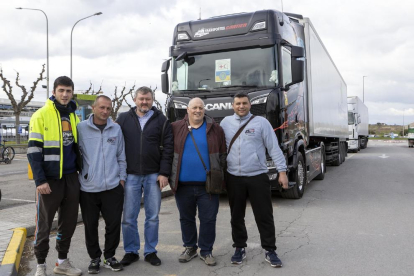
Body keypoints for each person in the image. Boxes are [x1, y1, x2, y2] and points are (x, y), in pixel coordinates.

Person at [220, 92, 289, 268]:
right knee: (236, 216)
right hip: (234, 177)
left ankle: (270, 249)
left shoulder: (261, 123)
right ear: (233, 106)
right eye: (237, 104)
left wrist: (282, 172)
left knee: (264, 215)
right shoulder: (225, 123)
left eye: (244, 103)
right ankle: (239, 247)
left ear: (250, 105)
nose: (241, 106)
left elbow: (273, 147)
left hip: (258, 176)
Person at [27, 76, 82, 276]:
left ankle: (62, 262)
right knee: (44, 224)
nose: (65, 94)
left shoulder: (74, 116)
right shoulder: (40, 115)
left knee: (68, 223)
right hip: (49, 180)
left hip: (71, 178)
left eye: (68, 91)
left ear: (72, 93)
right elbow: (33, 152)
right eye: (61, 90)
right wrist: (40, 180)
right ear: (54, 92)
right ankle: (40, 265)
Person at [116, 86, 173, 267]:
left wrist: (164, 173)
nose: (144, 102)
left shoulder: (162, 120)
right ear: (135, 99)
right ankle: (131, 251)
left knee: (152, 216)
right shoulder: (123, 119)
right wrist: (120, 174)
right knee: (128, 217)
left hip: (153, 175)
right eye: (141, 99)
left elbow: (168, 149)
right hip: (130, 175)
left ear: (152, 100)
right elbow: (116, 147)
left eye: (148, 99)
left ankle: (150, 251)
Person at [169, 98, 226, 266]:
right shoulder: (175, 127)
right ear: (187, 109)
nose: (197, 110)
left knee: (208, 219)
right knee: (186, 218)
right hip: (183, 185)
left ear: (204, 109)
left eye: (200, 107)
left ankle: (206, 250)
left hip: (208, 186)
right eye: (194, 107)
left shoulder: (215, 129)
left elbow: (223, 154)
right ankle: (190, 247)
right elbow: (168, 153)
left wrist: (220, 176)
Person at [77, 95, 127, 274]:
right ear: (93, 108)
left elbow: (121, 156)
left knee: (113, 224)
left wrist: (121, 179)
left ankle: (110, 256)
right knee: (90, 226)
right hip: (88, 188)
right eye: (102, 108)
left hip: (113, 187)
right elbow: (76, 155)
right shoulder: (81, 128)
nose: (105, 111)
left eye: (108, 108)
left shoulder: (116, 129)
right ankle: (94, 258)